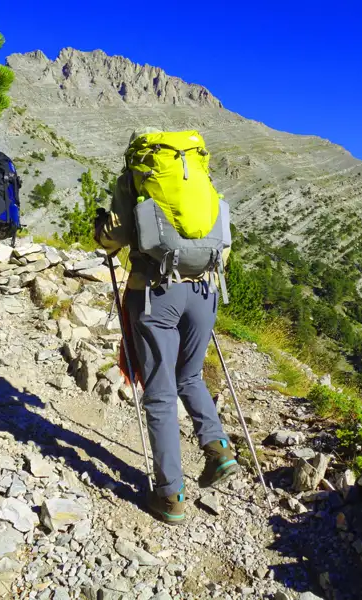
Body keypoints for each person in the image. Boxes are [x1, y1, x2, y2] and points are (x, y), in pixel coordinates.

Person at [95, 127, 238, 525]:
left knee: (159, 393)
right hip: (206, 290)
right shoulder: (199, 177)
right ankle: (219, 449)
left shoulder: (135, 177)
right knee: (189, 377)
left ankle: (170, 494)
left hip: (158, 291)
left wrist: (101, 235)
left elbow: (116, 235)